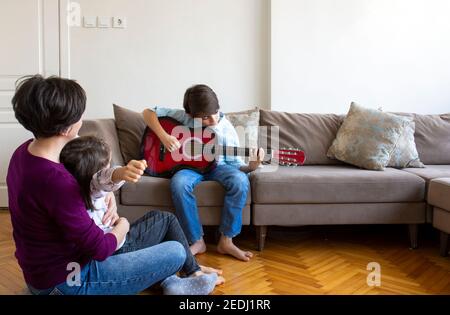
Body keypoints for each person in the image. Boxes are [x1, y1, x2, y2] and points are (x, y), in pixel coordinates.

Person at [7, 75, 222, 295]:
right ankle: (174, 277)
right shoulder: (56, 182)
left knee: (164, 220)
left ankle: (178, 277)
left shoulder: (24, 152)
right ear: (65, 129)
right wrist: (124, 224)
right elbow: (100, 249)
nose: (82, 119)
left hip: (54, 269)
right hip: (70, 280)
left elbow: (82, 186)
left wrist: (107, 195)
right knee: (175, 251)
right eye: (80, 115)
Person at [142, 84, 265, 262]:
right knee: (179, 183)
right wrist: (164, 136)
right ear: (191, 115)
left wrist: (253, 165)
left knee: (240, 181)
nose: (213, 120)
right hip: (189, 169)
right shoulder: (184, 117)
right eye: (205, 118)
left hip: (219, 168)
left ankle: (226, 240)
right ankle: (197, 241)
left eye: (215, 113)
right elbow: (148, 112)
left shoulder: (227, 130)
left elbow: (237, 168)